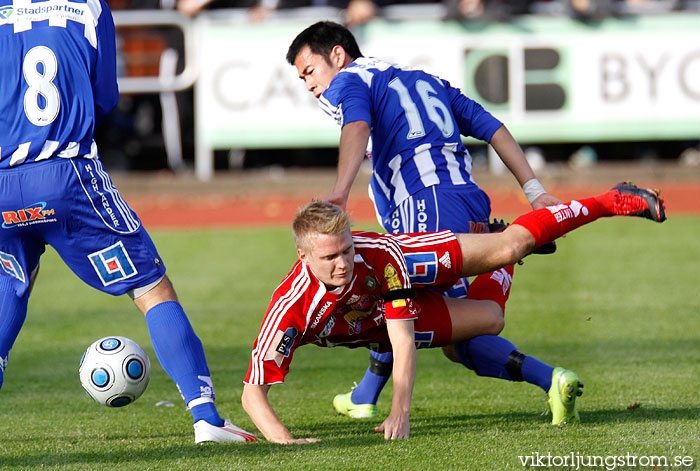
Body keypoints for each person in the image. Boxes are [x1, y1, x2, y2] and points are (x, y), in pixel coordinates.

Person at [0, 0, 255, 444]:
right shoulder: (88, 6)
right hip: (67, 174)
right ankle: (207, 418)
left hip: (3, 183)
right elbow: (105, 96)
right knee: (151, 287)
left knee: (9, 287)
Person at [286, 20, 566, 420]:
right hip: (467, 200)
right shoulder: (426, 80)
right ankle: (366, 395)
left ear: (337, 55)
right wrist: (535, 190)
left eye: (310, 72)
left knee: (450, 325)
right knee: (392, 292)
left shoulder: (349, 81)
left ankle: (551, 377)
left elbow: (357, 125)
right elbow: (494, 129)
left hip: (425, 206)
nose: (311, 85)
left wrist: (340, 191)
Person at [242, 191, 665, 442]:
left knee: (508, 247)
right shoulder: (291, 308)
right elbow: (252, 392)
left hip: (409, 258)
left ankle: (610, 201)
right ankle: (494, 244)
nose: (343, 262)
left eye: (347, 248)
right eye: (330, 256)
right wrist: (285, 442)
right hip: (372, 324)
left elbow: (402, 338)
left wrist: (400, 411)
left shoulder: (377, 255)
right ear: (303, 256)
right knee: (490, 320)